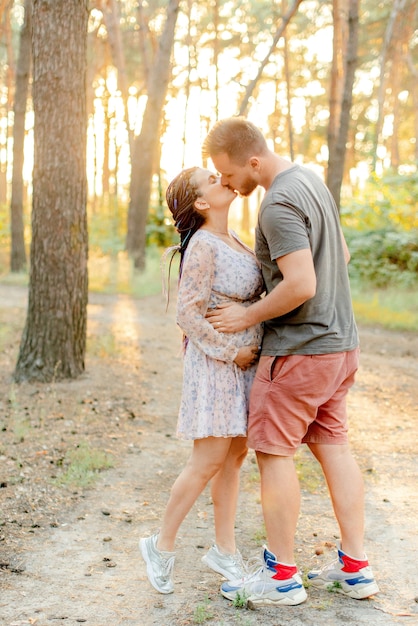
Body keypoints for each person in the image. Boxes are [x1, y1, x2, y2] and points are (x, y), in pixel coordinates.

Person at [202, 117, 379, 606]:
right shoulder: (310, 181)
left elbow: (302, 284)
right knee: (335, 449)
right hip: (341, 346)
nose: (228, 184)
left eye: (229, 173)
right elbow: (338, 254)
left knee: (275, 455)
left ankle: (281, 577)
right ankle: (355, 568)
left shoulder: (277, 203)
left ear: (253, 161)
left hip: (300, 352)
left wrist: (246, 315)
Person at [139, 166, 264, 594]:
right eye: (211, 179)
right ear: (201, 203)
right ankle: (161, 544)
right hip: (217, 365)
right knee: (207, 461)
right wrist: (232, 351)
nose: (222, 178)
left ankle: (224, 550)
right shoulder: (204, 246)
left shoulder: (236, 241)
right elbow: (187, 314)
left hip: (243, 366)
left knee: (232, 460)